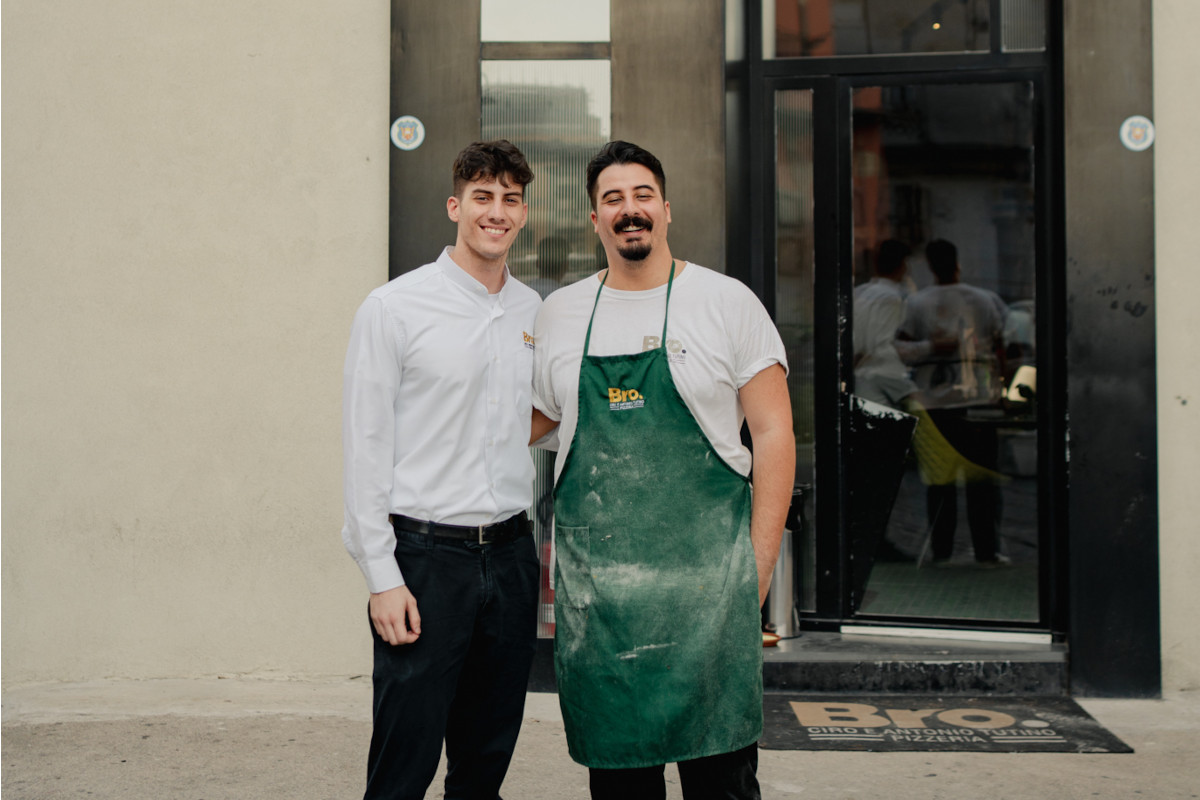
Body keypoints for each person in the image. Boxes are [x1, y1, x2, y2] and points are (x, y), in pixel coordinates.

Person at [531, 141, 795, 799]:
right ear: (594, 220)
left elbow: (775, 435)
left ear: (667, 209)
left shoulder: (726, 303)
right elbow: (526, 425)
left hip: (709, 606)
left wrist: (755, 577)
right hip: (605, 617)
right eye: (612, 200)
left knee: (722, 786)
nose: (629, 211)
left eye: (641, 195)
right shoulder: (561, 313)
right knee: (620, 789)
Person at [341, 139, 542, 799]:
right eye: (483, 197)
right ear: (455, 206)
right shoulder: (394, 308)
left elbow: (545, 413)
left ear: (522, 213)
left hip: (511, 558)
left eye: (510, 199)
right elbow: (366, 443)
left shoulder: (535, 313)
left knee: (485, 764)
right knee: (404, 765)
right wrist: (382, 577)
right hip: (426, 560)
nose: (497, 212)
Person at [900, 238, 1010, 567]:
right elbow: (1001, 347)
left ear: (931, 267)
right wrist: (1001, 390)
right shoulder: (984, 300)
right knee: (982, 480)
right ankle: (987, 551)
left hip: (936, 402)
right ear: (957, 262)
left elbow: (902, 346)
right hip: (978, 398)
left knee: (940, 480)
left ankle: (942, 551)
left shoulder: (918, 303)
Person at [852, 239, 926, 408]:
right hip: (881, 381)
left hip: (862, 381)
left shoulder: (860, 293)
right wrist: (932, 347)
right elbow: (881, 348)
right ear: (903, 266)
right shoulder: (892, 298)